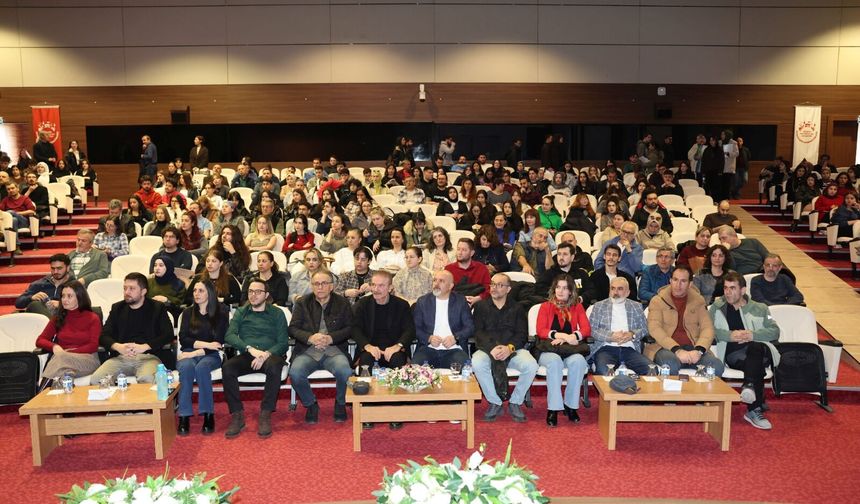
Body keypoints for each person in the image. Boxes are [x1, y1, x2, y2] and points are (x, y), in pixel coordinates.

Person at [709, 272, 780, 430]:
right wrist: (729, 335)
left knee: (755, 347)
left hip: (762, 351)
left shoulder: (760, 308)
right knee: (756, 366)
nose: (727, 292)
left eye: (732, 288)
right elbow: (708, 330)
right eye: (726, 288)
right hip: (735, 355)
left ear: (742, 290)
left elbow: (774, 331)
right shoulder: (717, 308)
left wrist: (752, 335)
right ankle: (754, 407)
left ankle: (749, 388)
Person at [222, 278, 289, 438]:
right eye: (251, 291)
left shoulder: (277, 313)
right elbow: (229, 335)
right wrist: (250, 349)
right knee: (227, 368)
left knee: (274, 366)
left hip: (271, 355)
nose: (253, 295)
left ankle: (265, 413)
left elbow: (283, 343)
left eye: (258, 292)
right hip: (249, 354)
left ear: (266, 295)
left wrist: (265, 354)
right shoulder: (241, 312)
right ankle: (237, 415)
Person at [289, 270, 354, 424]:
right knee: (295, 373)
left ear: (331, 286)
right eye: (316, 284)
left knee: (345, 371)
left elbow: (350, 328)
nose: (320, 287)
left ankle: (340, 403)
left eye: (324, 283)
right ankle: (311, 404)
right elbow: (293, 328)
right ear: (312, 286)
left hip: (334, 349)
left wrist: (331, 338)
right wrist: (310, 337)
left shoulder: (342, 303)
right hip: (308, 350)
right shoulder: (303, 302)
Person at [352, 271, 415, 427]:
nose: (376, 289)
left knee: (398, 363)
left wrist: (398, 346)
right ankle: (368, 412)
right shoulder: (362, 304)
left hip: (393, 349)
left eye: (381, 285)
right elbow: (354, 329)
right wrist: (367, 346)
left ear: (390, 288)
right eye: (373, 285)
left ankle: (396, 411)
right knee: (365, 363)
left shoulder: (402, 305)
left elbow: (409, 330)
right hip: (370, 347)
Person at [472, 273, 538, 423]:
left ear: (508, 289)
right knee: (477, 363)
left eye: (500, 285)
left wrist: (509, 348)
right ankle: (495, 401)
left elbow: (522, 334)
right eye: (492, 284)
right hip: (488, 349)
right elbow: (478, 332)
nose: (494, 288)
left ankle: (515, 401)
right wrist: (491, 348)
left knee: (531, 365)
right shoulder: (481, 306)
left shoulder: (518, 308)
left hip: (512, 348)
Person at [89, 273, 174, 385]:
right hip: (121, 357)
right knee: (97, 380)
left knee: (147, 380)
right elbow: (103, 336)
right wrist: (117, 346)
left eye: (132, 288)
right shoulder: (117, 308)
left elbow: (168, 334)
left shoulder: (157, 308)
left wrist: (145, 347)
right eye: (125, 288)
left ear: (143, 291)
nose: (127, 292)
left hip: (148, 357)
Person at [645, 266, 724, 376]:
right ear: (670, 281)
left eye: (683, 281)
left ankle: (699, 393)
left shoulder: (699, 301)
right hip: (665, 348)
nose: (678, 285)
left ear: (690, 284)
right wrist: (677, 350)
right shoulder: (657, 301)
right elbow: (655, 329)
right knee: (670, 364)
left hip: (693, 348)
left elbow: (708, 328)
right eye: (675, 280)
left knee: (717, 366)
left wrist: (699, 350)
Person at [534, 274, 591, 426]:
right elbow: (540, 330)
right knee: (555, 362)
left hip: (568, 348)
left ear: (571, 291)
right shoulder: (545, 306)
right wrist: (559, 335)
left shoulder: (577, 306)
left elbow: (586, 329)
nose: (560, 291)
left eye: (565, 288)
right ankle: (553, 408)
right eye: (558, 287)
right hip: (548, 349)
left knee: (579, 361)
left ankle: (571, 405)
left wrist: (570, 337)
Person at [176, 280, 228, 435]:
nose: (196, 294)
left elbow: (218, 343)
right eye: (195, 291)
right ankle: (184, 416)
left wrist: (194, 351)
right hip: (190, 352)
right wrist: (207, 344)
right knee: (186, 367)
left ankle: (208, 414)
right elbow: (183, 339)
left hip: (211, 355)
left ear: (210, 293)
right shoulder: (187, 313)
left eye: (201, 291)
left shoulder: (221, 313)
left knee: (202, 368)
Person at [34, 281, 101, 389]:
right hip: (63, 362)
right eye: (63, 296)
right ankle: (58, 398)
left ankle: (40, 393)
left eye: (69, 296)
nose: (64, 300)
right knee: (65, 374)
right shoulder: (58, 318)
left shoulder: (92, 318)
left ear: (79, 297)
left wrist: (66, 353)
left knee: (60, 358)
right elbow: (40, 340)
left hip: (87, 359)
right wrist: (54, 347)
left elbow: (93, 345)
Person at [588, 277, 651, 376]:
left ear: (628, 292)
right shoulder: (599, 306)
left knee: (652, 371)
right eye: (612, 288)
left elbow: (645, 329)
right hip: (606, 349)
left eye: (620, 289)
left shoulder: (636, 306)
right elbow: (592, 330)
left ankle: (633, 390)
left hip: (629, 349)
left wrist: (632, 334)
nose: (615, 292)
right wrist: (611, 336)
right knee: (605, 372)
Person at [412, 270, 473, 368]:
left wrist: (455, 338)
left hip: (454, 349)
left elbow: (470, 327)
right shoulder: (423, 302)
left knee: (466, 368)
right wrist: (429, 338)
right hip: (428, 349)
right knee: (415, 369)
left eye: (441, 281)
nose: (436, 284)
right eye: (435, 280)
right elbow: (415, 328)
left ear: (450, 286)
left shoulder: (460, 301)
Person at [445, 237, 491, 305]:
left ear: (472, 253)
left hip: (478, 303)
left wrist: (478, 298)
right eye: (458, 249)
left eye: (464, 250)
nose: (460, 253)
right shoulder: (449, 269)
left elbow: (489, 289)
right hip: (454, 303)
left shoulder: (482, 268)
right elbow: (444, 290)